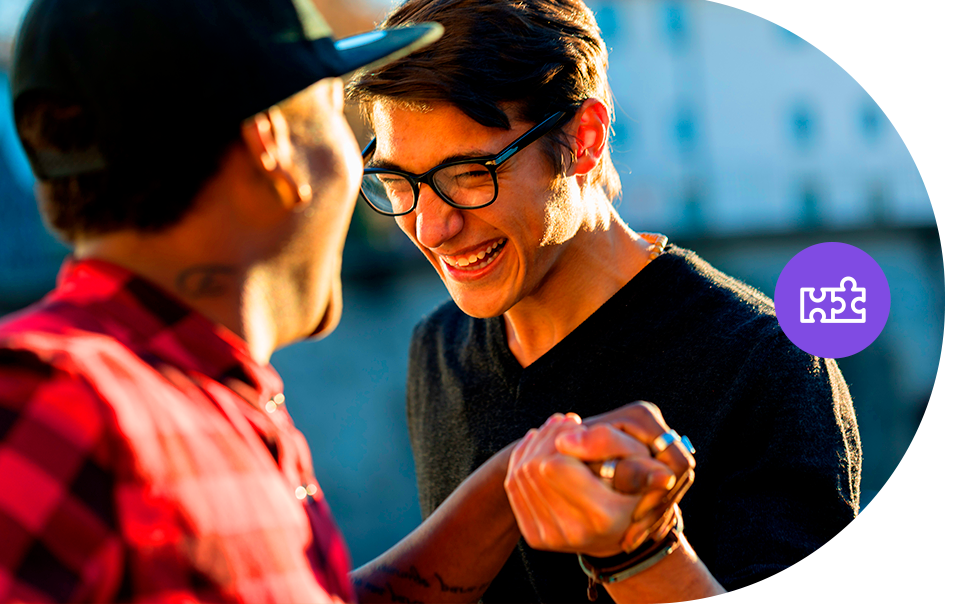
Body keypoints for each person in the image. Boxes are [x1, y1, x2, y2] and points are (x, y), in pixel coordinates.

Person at [0, 0, 676, 601]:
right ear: (273, 143)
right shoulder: (50, 403)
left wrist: (512, 484)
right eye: (337, 115)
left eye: (468, 175)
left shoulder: (192, 405)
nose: (428, 222)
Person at [347, 0, 864, 602]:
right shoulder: (438, 348)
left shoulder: (766, 362)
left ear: (585, 140)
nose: (431, 228)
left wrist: (644, 553)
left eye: (468, 173)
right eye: (398, 181)